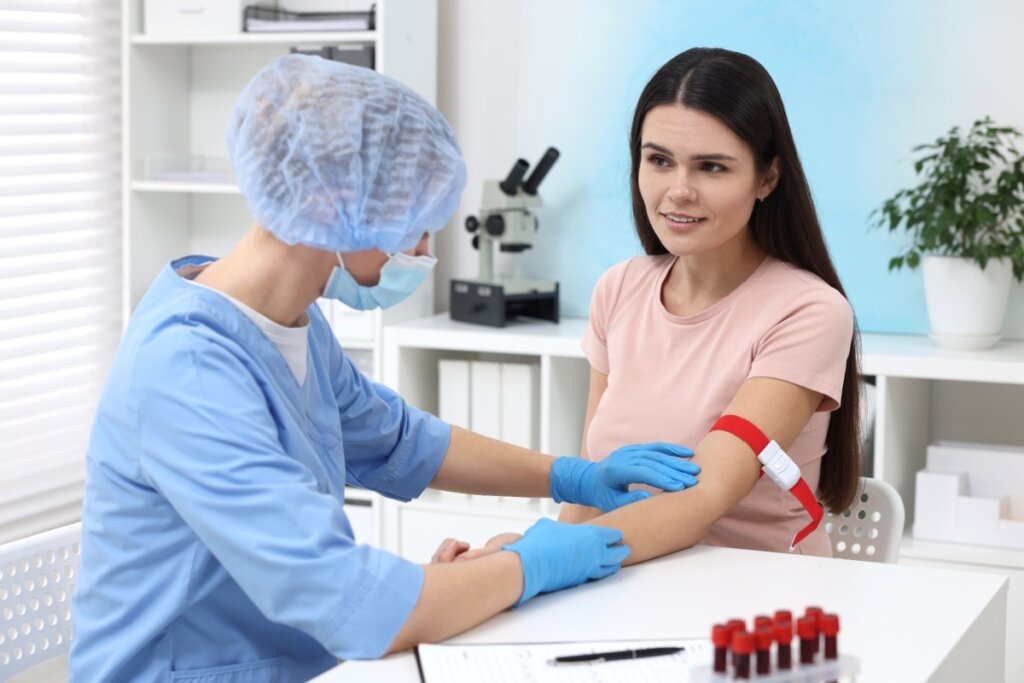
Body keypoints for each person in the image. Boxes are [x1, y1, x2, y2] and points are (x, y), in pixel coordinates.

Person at [68, 55, 701, 682]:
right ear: (340, 204)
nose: (424, 251)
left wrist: (571, 477)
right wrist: (528, 566)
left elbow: (400, 441)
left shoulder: (290, 320)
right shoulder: (189, 372)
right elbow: (351, 604)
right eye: (417, 227)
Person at [457, 47, 862, 566]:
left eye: (712, 167)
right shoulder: (619, 288)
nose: (679, 191)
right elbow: (590, 484)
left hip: (756, 600)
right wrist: (528, 565)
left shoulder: (809, 312)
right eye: (659, 161)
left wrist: (532, 557)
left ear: (767, 178)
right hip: (621, 574)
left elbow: (703, 496)